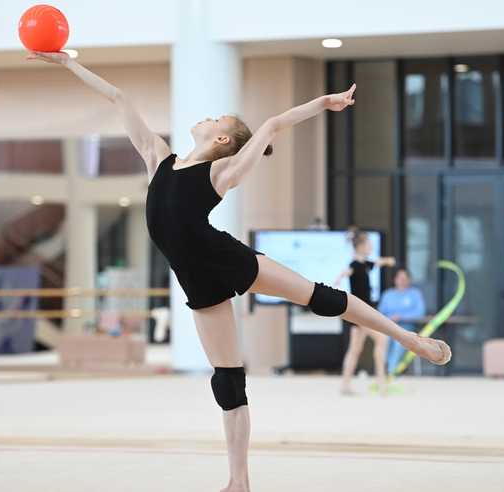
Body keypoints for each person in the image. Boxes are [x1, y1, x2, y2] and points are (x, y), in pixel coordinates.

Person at [27, 51, 451, 492]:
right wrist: (67, 64)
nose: (208, 116)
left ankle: (407, 338)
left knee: (322, 298)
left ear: (224, 141)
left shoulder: (221, 170)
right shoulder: (160, 159)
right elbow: (117, 96)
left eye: (218, 118)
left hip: (224, 257)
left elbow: (269, 126)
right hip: (192, 277)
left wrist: (322, 104)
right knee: (228, 380)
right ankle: (239, 482)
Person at [333, 228, 395, 395]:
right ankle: (382, 384)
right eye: (368, 245)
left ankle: (345, 386)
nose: (371, 248)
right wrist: (338, 279)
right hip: (361, 313)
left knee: (355, 349)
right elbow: (348, 271)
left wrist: (388, 261)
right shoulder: (354, 266)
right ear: (360, 246)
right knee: (382, 340)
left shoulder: (365, 264)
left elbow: (377, 262)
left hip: (360, 312)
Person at [380, 267, 426, 376]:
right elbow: (380, 313)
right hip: (388, 328)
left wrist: (401, 316)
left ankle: (391, 371)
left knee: (398, 343)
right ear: (395, 279)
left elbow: (419, 312)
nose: (402, 281)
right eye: (400, 278)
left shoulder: (415, 294)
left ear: (409, 280)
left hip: (407, 327)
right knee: (383, 341)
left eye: (405, 278)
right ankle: (389, 369)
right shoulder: (387, 295)